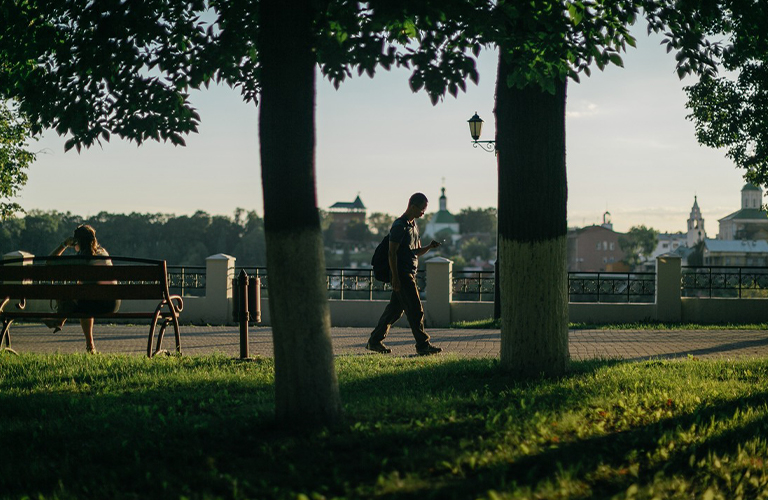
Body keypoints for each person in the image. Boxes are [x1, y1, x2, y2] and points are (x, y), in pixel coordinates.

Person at [367, 193, 443, 356]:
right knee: (416, 309)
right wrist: (395, 277)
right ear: (412, 206)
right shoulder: (399, 226)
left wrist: (429, 247)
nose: (423, 213)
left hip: (409, 272)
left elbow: (415, 252)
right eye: (422, 209)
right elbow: (391, 253)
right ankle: (423, 345)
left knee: (394, 310)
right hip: (402, 274)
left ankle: (374, 341)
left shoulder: (413, 226)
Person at [45, 224, 120, 353]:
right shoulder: (103, 252)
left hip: (96, 302)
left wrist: (64, 244)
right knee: (83, 297)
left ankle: (60, 318)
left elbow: (49, 261)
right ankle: (88, 345)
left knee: (71, 294)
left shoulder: (82, 259)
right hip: (113, 303)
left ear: (77, 241)